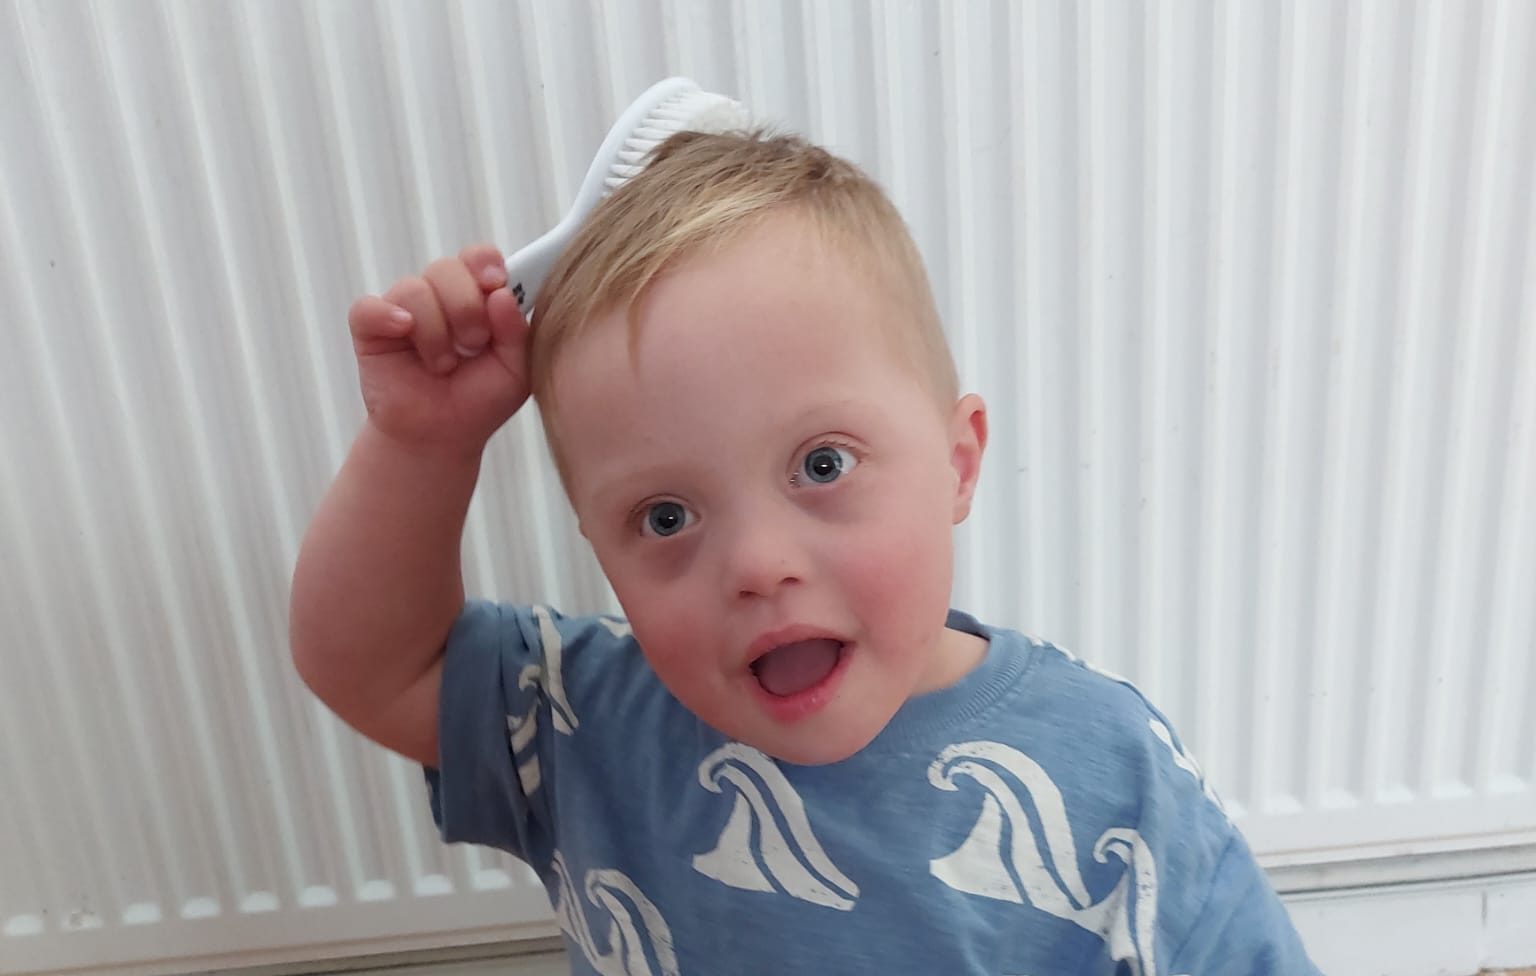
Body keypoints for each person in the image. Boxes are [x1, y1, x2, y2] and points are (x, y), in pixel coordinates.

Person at [290, 130, 1320, 975]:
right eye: (663, 517)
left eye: (822, 463)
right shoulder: (589, 722)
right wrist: (422, 444)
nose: (756, 562)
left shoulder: (1105, 765)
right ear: (599, 549)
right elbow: (375, 665)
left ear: (957, 463)